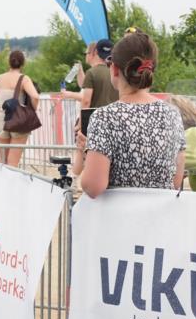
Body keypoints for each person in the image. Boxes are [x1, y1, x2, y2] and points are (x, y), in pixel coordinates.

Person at [74, 30, 185, 198]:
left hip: (121, 220)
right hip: (161, 219)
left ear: (115, 70)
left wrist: (88, 151)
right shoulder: (173, 115)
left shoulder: (105, 117)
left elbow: (93, 187)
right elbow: (176, 181)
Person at [0, 50, 41, 166]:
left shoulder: (0, 78)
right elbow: (35, 96)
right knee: (13, 163)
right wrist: (32, 110)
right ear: (23, 63)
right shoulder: (24, 79)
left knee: (2, 161)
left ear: (9, 63)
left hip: (2, 119)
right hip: (19, 120)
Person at [63, 39, 118, 109]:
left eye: (86, 53)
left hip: (96, 116)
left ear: (94, 53)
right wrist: (80, 71)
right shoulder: (115, 70)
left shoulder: (92, 72)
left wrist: (69, 94)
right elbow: (85, 85)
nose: (85, 56)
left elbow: (86, 100)